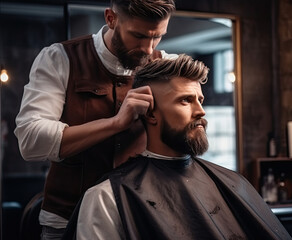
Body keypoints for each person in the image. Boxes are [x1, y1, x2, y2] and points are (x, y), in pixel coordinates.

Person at [65, 54, 292, 240]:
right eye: (185, 100)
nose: (201, 111)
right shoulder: (107, 198)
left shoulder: (234, 182)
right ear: (151, 112)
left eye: (200, 100)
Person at [14, 0, 176, 238]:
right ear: (111, 18)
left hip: (141, 219)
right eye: (138, 36)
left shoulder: (167, 66)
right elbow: (30, 140)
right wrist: (115, 123)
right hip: (68, 222)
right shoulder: (59, 58)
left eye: (157, 37)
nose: (149, 49)